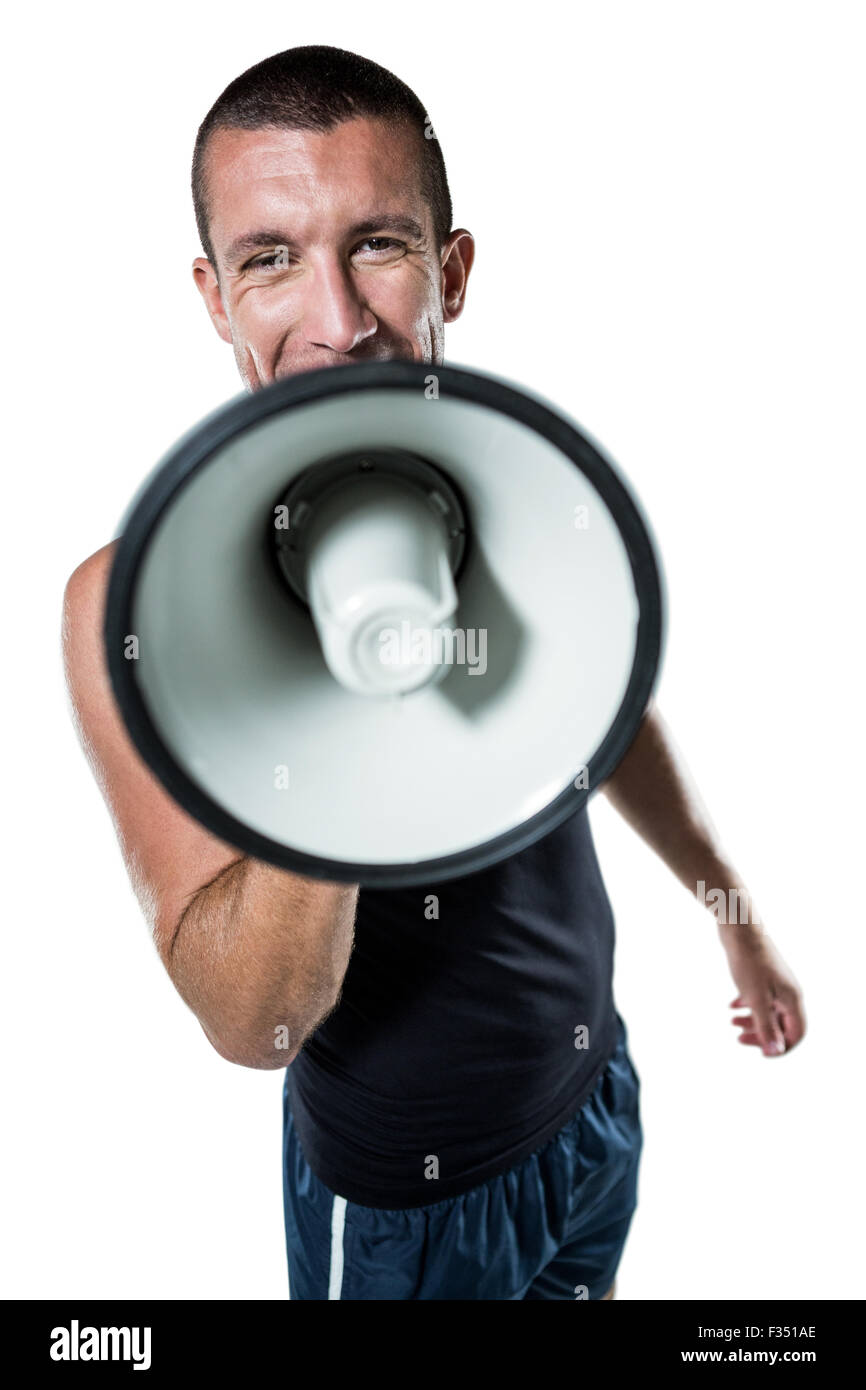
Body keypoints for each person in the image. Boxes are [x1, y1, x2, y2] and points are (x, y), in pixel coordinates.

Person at [62, 45, 806, 1301]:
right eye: (268, 258)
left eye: (379, 244)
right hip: (411, 1205)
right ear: (212, 296)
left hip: (591, 1103)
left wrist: (731, 919)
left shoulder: (521, 487)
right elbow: (257, 1026)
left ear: (450, 268)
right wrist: (353, 701)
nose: (337, 320)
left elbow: (603, 713)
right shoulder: (130, 605)